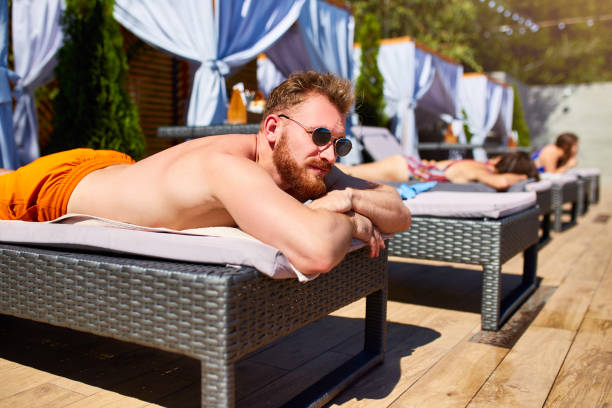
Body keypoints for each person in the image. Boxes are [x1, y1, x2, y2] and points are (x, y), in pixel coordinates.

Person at [0, 71, 411, 276]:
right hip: (53, 188)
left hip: (117, 167)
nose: (329, 153)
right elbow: (317, 250)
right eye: (320, 135)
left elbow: (398, 212)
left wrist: (351, 197)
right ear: (272, 128)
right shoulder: (228, 169)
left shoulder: (304, 164)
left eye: (338, 143)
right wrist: (353, 220)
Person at [336, 151, 539, 191]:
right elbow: (502, 182)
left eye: (500, 157)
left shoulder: (482, 169)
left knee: (350, 172)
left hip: (406, 167)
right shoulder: (480, 169)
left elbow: (501, 182)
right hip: (405, 169)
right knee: (349, 172)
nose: (495, 156)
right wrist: (523, 176)